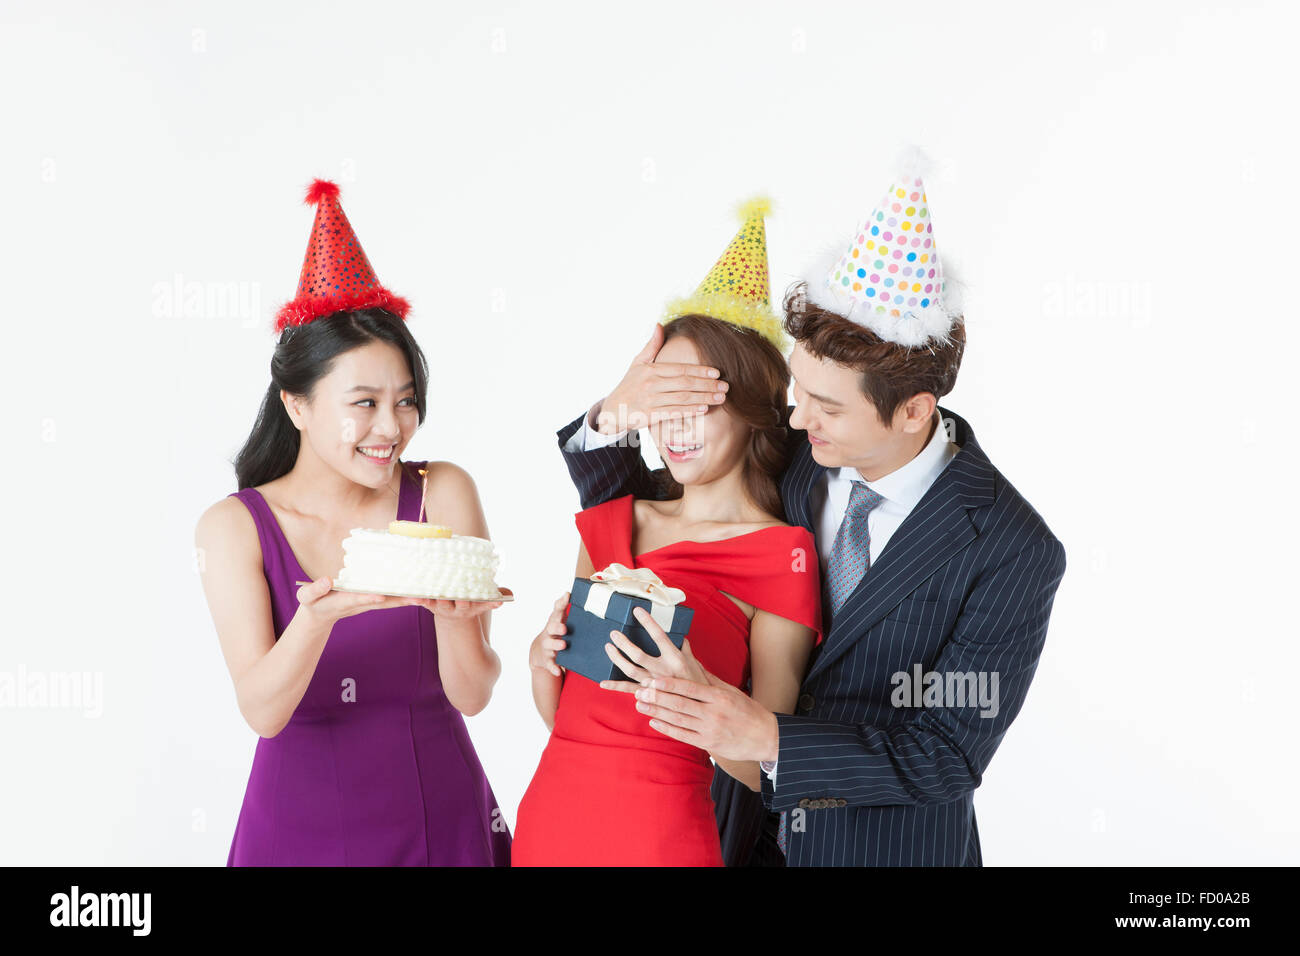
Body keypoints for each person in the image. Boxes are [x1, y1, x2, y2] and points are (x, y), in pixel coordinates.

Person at [555, 163, 1067, 866]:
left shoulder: (1012, 547)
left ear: (914, 410)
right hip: (731, 835)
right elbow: (653, 507)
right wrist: (618, 412)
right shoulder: (796, 448)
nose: (796, 416)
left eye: (827, 407)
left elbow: (945, 755)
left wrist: (766, 736)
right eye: (799, 389)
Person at [195, 180, 511, 865]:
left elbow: (475, 694)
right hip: (298, 831)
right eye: (362, 403)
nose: (390, 428)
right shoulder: (235, 528)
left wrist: (457, 616)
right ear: (297, 406)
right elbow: (262, 711)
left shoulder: (442, 491)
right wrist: (316, 618)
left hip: (442, 817)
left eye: (405, 401)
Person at [512, 200, 823, 866]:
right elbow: (571, 718)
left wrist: (699, 697)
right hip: (552, 817)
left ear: (750, 411)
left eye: (701, 404)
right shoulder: (615, 523)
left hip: (665, 835)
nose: (675, 427)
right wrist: (540, 663)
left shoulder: (783, 554)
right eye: (663, 403)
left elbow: (771, 769)